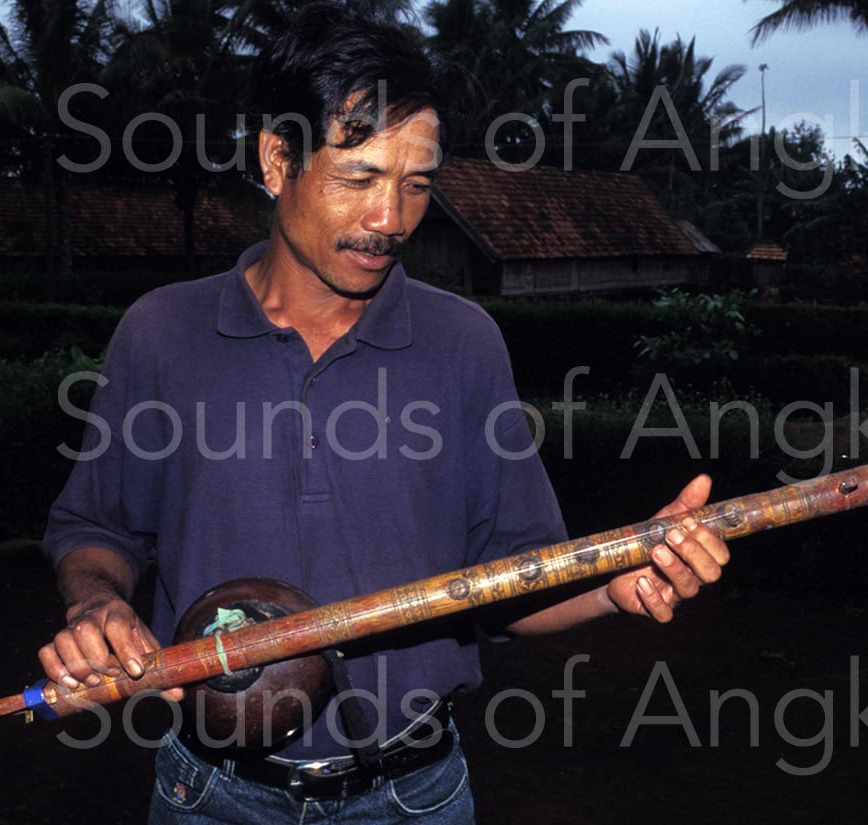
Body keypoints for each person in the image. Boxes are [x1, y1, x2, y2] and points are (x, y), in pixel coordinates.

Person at [37, 4, 730, 823]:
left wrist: (618, 582)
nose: (389, 220)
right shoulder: (161, 333)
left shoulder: (463, 342)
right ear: (276, 158)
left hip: (412, 796)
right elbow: (96, 527)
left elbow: (510, 575)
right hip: (209, 796)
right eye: (359, 178)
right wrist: (95, 605)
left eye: (416, 184)